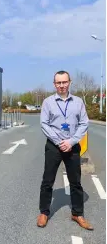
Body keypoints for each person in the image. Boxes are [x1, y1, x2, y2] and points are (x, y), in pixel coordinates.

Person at [37, 70, 93, 230]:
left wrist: (71, 141)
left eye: (64, 82)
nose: (61, 85)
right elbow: (44, 124)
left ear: (70, 82)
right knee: (47, 180)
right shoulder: (48, 102)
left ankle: (77, 213)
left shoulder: (78, 102)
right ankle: (44, 212)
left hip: (73, 146)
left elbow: (84, 123)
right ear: (54, 84)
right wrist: (58, 141)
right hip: (53, 146)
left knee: (75, 182)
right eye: (58, 83)